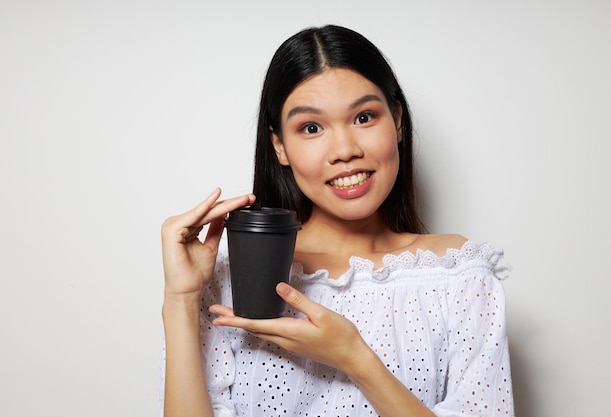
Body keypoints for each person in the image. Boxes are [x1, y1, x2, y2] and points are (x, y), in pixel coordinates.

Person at [159, 25, 514, 417]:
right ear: (279, 145)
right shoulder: (232, 274)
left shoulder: (458, 276)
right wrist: (181, 300)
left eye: (364, 117)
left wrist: (354, 358)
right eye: (311, 128)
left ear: (397, 121)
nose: (344, 150)